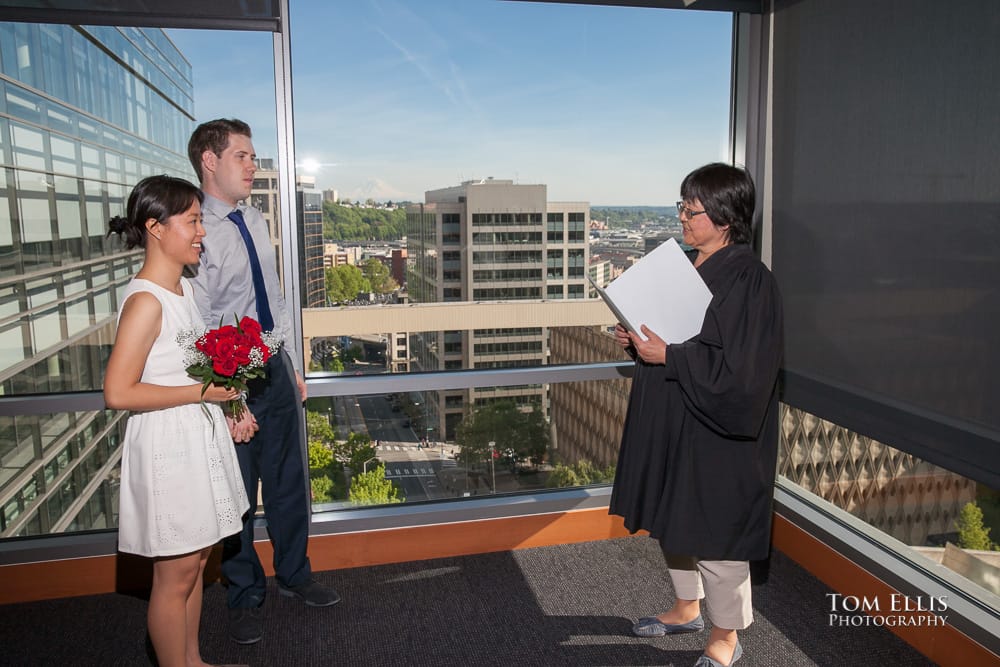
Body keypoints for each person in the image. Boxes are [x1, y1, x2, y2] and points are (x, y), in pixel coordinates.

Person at [609, 163, 783, 667]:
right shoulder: (685, 266)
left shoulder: (752, 282)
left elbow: (744, 374)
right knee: (675, 519)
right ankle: (686, 608)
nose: (682, 216)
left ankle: (725, 638)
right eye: (681, 205)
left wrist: (671, 356)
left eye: (692, 209)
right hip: (676, 420)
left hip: (718, 433)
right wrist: (638, 342)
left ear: (725, 217)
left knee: (717, 537)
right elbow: (679, 336)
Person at [186, 118, 340, 646]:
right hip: (230, 374)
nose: (253, 165)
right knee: (237, 493)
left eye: (253, 157)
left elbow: (274, 301)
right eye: (243, 157)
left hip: (271, 366)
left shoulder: (253, 218)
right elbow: (201, 323)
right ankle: (244, 594)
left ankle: (295, 576)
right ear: (210, 161)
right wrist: (228, 400)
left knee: (288, 483)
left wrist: (291, 364)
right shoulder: (197, 230)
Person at [103, 175, 251, 667]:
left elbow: (193, 366)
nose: (201, 232)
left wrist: (230, 403)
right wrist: (202, 393)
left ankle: (193, 661)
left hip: (195, 434)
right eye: (191, 221)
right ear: (156, 228)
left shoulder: (185, 291)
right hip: (168, 444)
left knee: (197, 565)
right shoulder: (146, 301)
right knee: (175, 576)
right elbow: (118, 392)